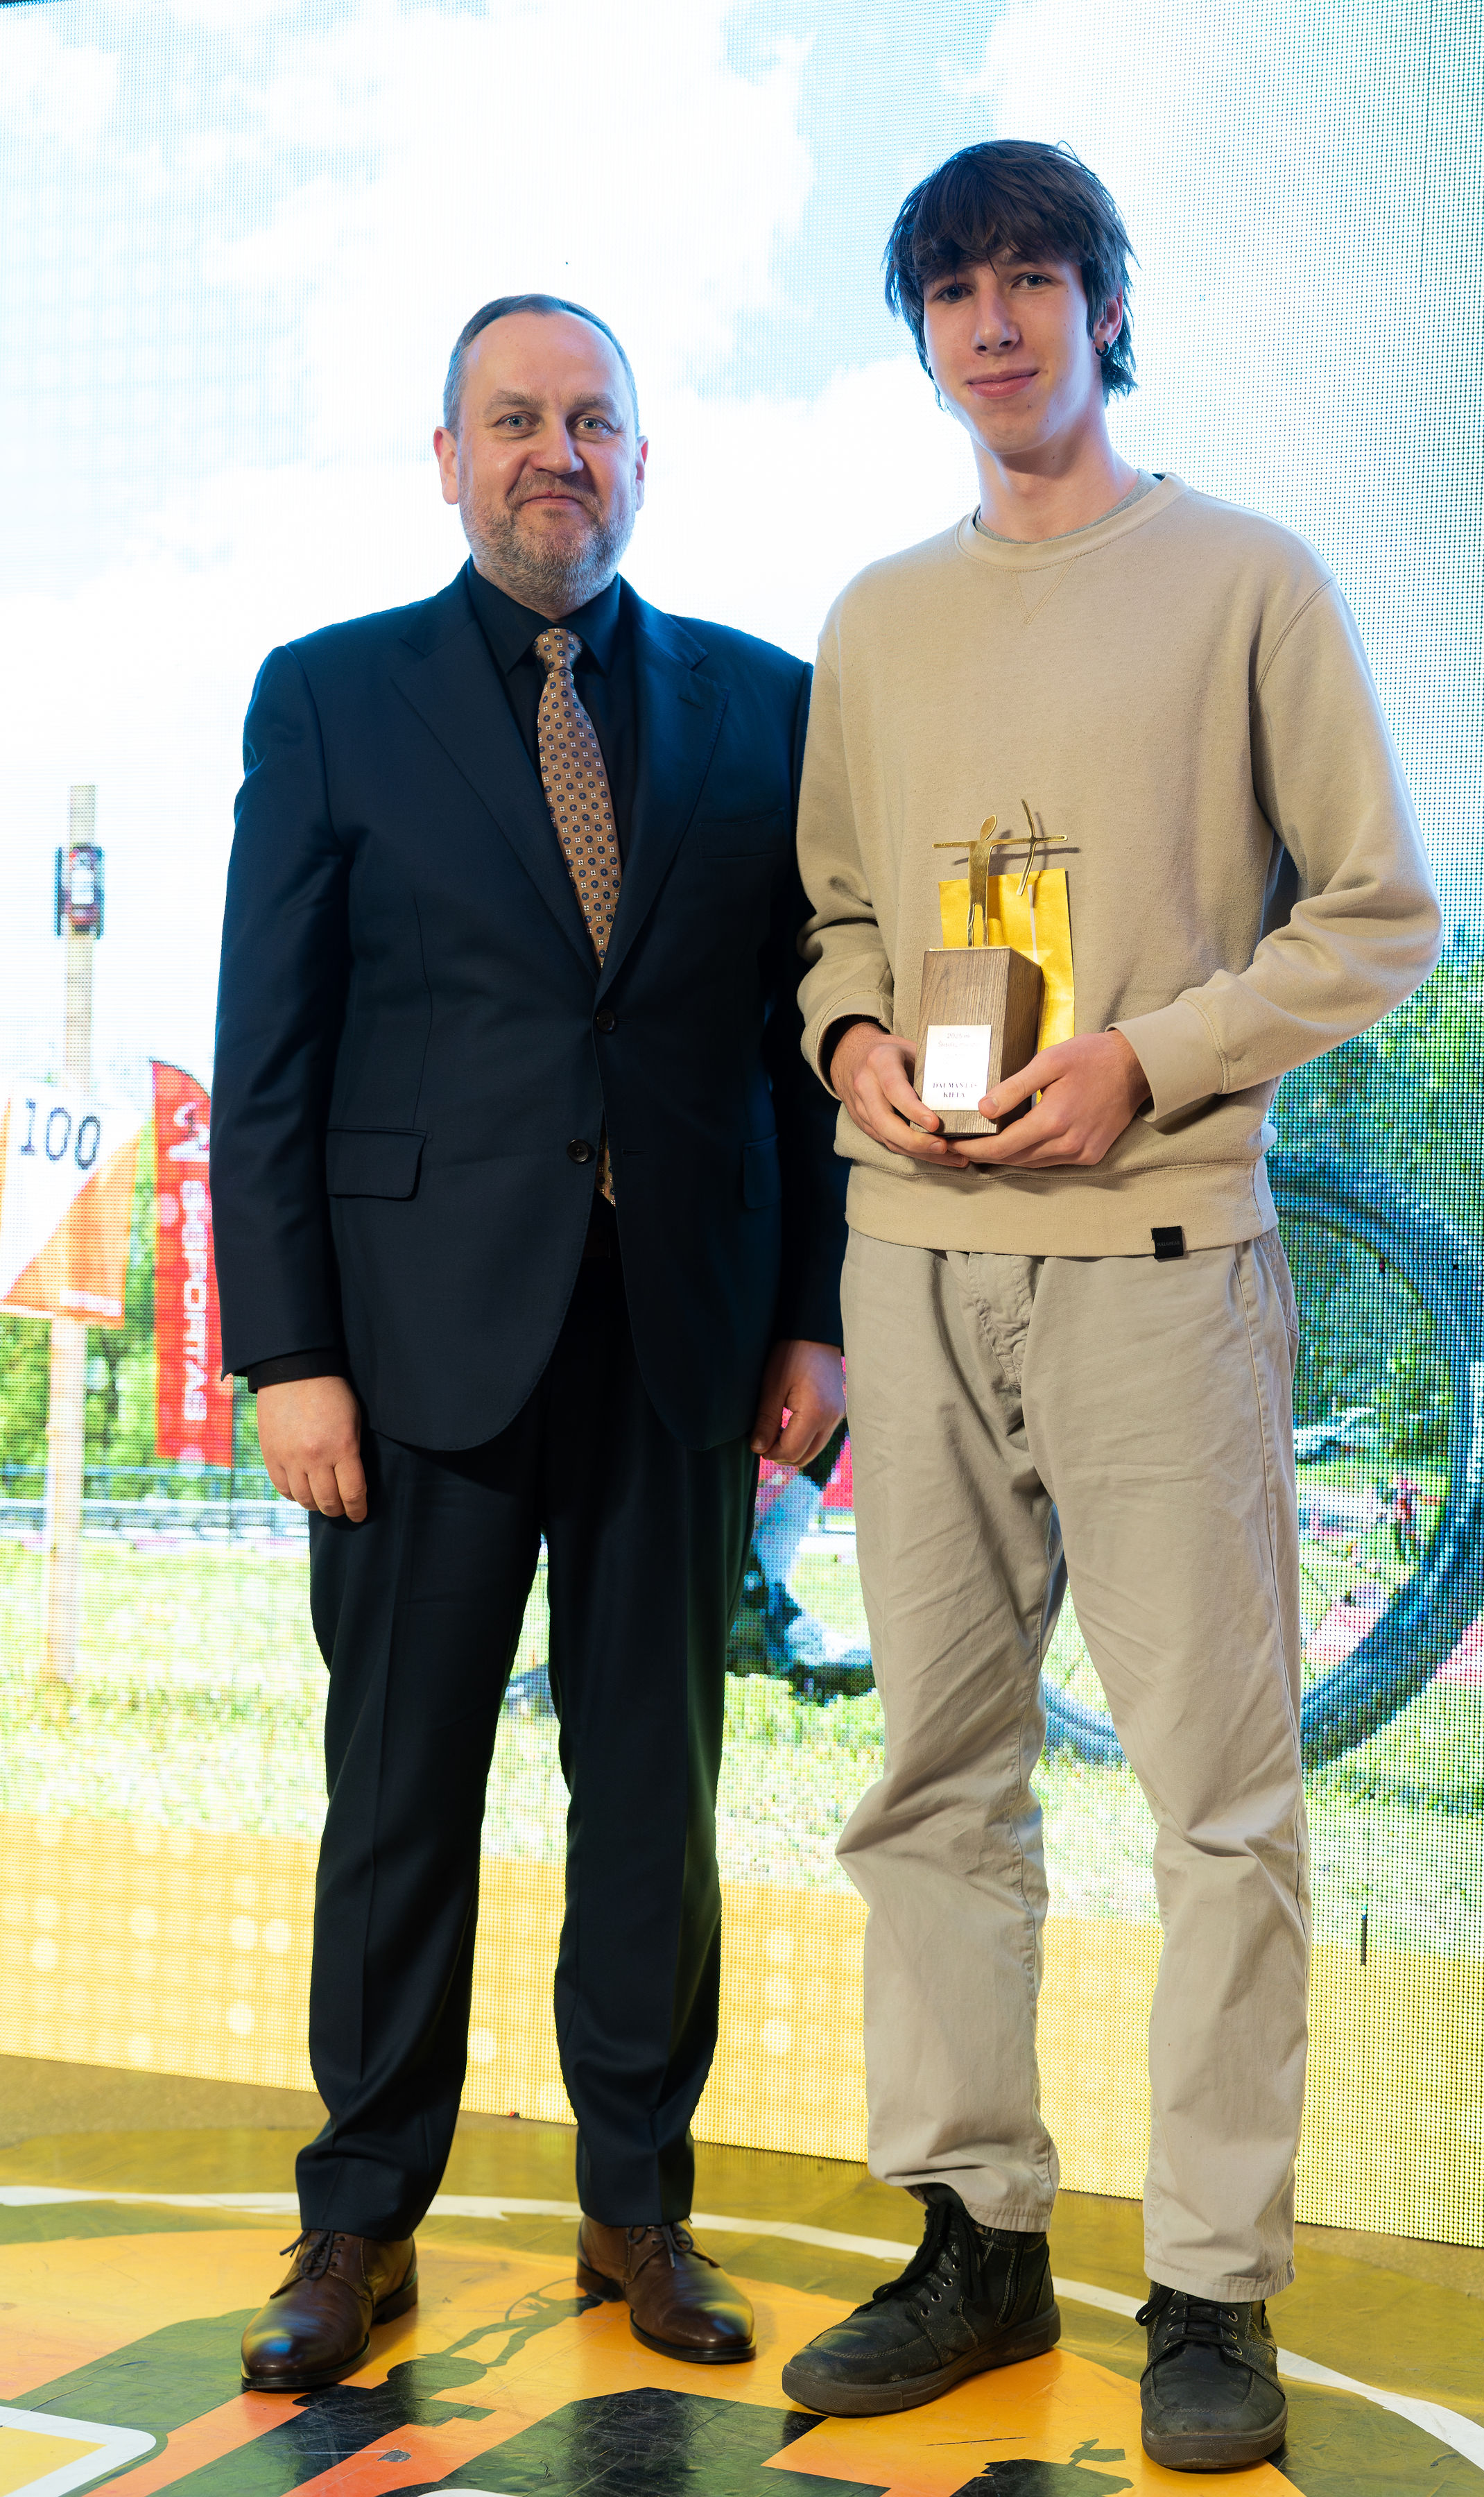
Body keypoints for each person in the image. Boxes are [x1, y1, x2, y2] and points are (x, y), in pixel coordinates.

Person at [779, 141, 1441, 2471]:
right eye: (953, 289)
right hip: (913, 1261)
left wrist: (1148, 1061)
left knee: (1219, 1806)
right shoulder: (878, 622)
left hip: (1162, 1266)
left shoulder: (1250, 580)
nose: (994, 321)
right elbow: (841, 923)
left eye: (1033, 278)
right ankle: (976, 2243)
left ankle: (1215, 2290)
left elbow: (1378, 912)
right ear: (923, 336)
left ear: (1107, 307)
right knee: (932, 1784)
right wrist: (855, 1044)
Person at [212, 293, 846, 2393]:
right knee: (399, 1796)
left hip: (684, 1346)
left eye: (591, 421)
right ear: (447, 457)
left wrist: (820, 1320)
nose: (554, 453)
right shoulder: (327, 698)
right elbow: (270, 1055)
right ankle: (356, 2221)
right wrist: (287, 1355)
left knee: (655, 1796)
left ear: (643, 460)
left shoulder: (771, 708)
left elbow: (799, 1053)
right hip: (405, 1361)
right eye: (514, 419)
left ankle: (637, 2206)